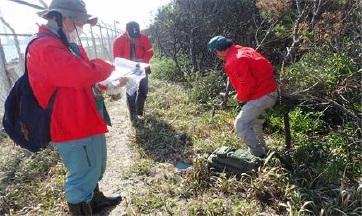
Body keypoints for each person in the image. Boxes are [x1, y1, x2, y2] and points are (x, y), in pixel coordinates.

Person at [31, 0, 127, 215]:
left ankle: (96, 200)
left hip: (86, 117)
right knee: (82, 174)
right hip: (70, 123)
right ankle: (82, 209)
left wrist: (108, 83)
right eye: (79, 23)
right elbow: (81, 74)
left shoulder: (67, 45)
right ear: (61, 19)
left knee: (95, 166)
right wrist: (111, 66)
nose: (81, 28)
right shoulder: (44, 47)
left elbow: (84, 81)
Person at [207, 35, 278, 158]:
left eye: (215, 52)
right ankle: (263, 150)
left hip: (261, 96)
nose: (216, 56)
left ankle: (258, 156)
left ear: (219, 50)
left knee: (240, 125)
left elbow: (247, 84)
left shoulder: (235, 60)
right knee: (255, 123)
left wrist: (240, 97)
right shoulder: (245, 50)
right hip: (270, 92)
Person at [113, 21, 154, 122]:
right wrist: (128, 64)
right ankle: (133, 115)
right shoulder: (118, 41)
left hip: (142, 68)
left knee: (144, 90)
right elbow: (117, 59)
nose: (135, 38)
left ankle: (139, 112)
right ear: (126, 31)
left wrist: (143, 60)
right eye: (132, 35)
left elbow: (150, 51)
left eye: (136, 35)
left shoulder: (143, 38)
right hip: (128, 71)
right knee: (131, 93)